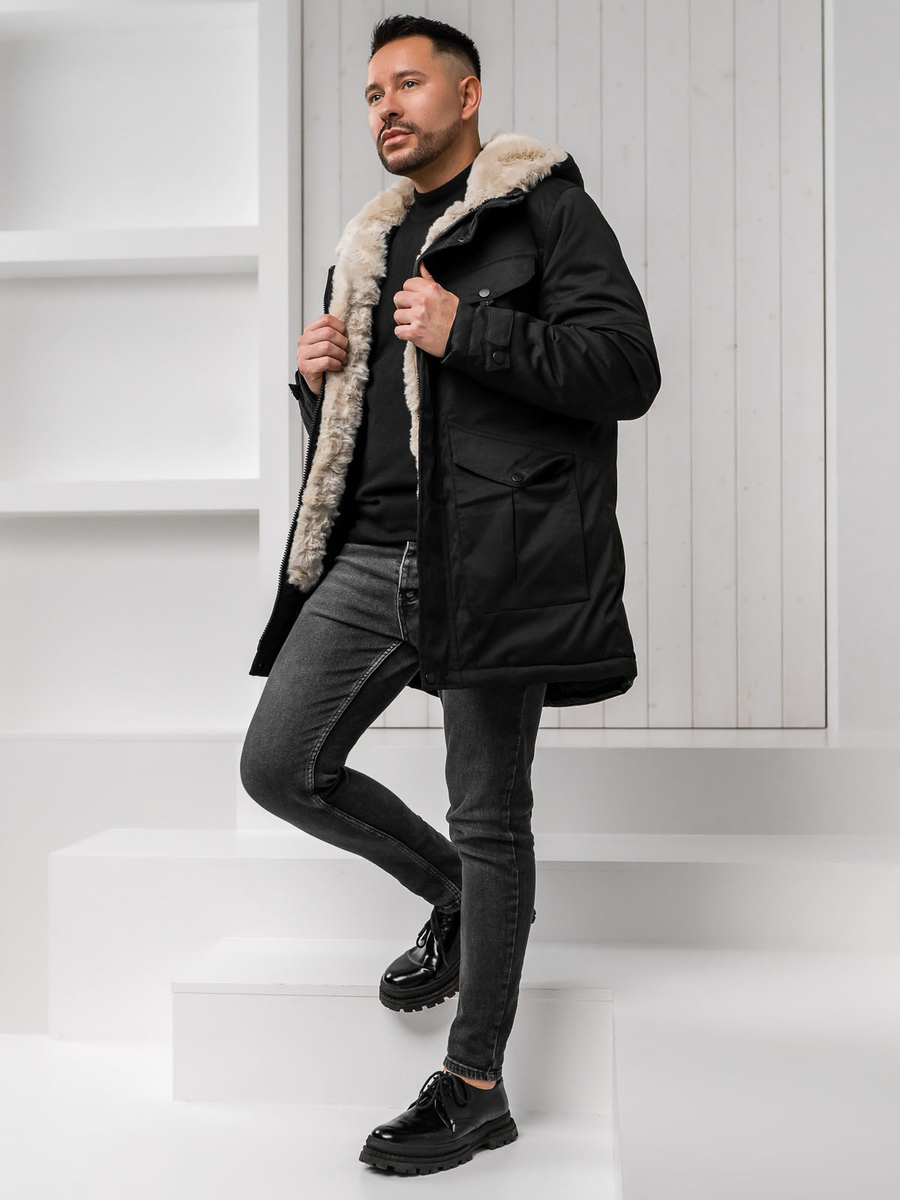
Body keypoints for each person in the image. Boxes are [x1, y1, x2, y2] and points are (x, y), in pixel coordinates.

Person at [240, 12, 661, 1176]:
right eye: (373, 92)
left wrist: (470, 328)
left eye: (410, 84)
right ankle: (461, 899)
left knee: (490, 815)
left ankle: (475, 1087)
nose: (387, 106)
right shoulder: (367, 247)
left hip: (492, 559)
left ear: (467, 96)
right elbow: (379, 429)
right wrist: (313, 384)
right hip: (369, 552)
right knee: (280, 765)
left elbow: (627, 371)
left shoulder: (546, 214)